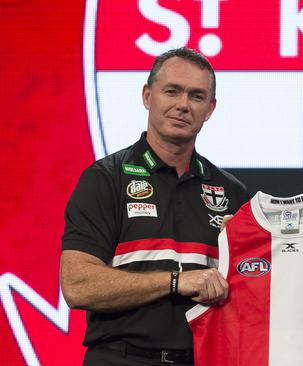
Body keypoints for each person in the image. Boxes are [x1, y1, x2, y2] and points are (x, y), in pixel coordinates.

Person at [60, 47, 250, 365]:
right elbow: (78, 285)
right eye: (172, 91)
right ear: (148, 96)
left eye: (197, 96)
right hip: (119, 357)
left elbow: (252, 289)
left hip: (203, 358)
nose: (182, 105)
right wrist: (175, 281)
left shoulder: (232, 192)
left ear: (210, 109)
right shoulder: (105, 179)